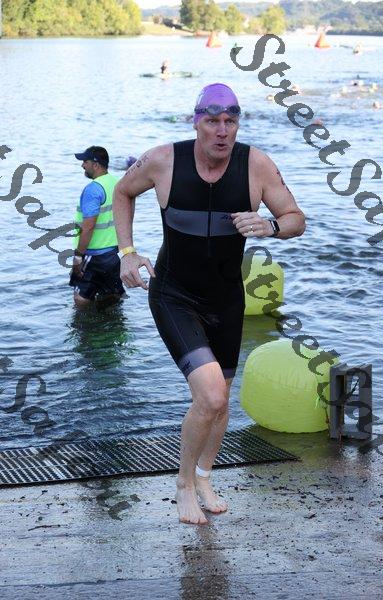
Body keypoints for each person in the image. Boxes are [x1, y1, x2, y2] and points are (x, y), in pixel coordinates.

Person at [113, 83, 306, 525]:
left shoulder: (256, 165)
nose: (222, 131)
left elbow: (296, 219)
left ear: (237, 124)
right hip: (173, 294)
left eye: (230, 121)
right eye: (212, 121)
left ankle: (203, 477)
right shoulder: (163, 160)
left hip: (226, 298)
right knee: (211, 394)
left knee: (221, 403)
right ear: (196, 121)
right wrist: (127, 252)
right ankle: (183, 485)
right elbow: (122, 192)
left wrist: (270, 226)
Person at [70, 146, 125, 310]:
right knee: (113, 293)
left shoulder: (92, 189)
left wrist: (78, 256)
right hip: (113, 253)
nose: (82, 165)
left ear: (96, 164)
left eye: (85, 162)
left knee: (81, 298)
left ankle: (89, 321)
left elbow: (88, 226)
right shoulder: (117, 183)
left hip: (94, 254)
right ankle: (109, 318)